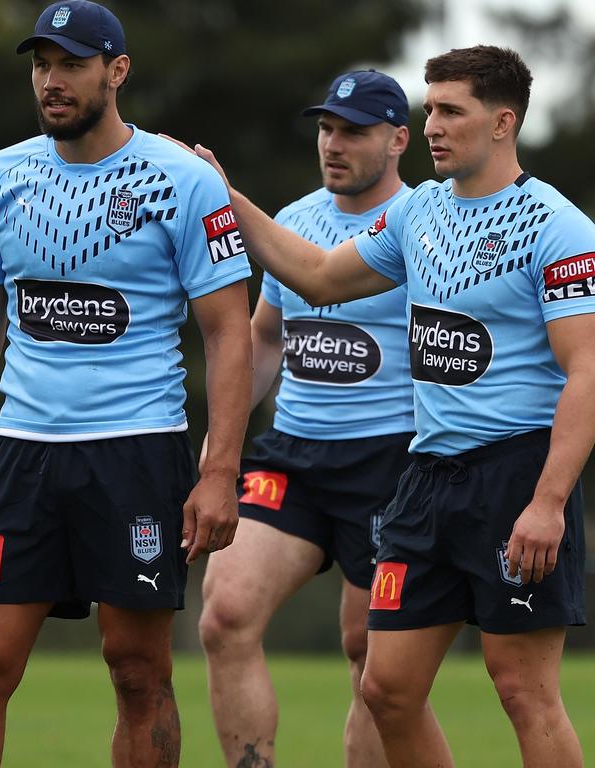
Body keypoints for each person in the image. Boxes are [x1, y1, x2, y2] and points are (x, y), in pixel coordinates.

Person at [176, 45, 595, 767]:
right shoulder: (422, 214)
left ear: (503, 122)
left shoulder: (558, 228)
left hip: (514, 476)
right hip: (426, 479)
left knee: (523, 691)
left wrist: (550, 500)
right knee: (387, 688)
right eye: (429, 106)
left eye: (450, 110)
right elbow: (316, 276)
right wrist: (225, 194)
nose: (432, 123)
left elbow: (590, 373)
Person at [0, 2, 252, 766]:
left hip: (136, 452)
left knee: (139, 674)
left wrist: (220, 472)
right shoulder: (0, 175)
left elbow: (228, 333)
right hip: (22, 454)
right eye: (41, 64)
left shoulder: (182, 181)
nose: (52, 81)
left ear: (117, 71)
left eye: (71, 63)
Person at [197, 69, 414, 768]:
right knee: (225, 615)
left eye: (354, 131)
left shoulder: (421, 223)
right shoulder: (294, 218)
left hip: (391, 462)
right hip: (294, 453)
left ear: (398, 140)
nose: (334, 143)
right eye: (327, 127)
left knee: (373, 661)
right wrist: (216, 452)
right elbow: (264, 336)